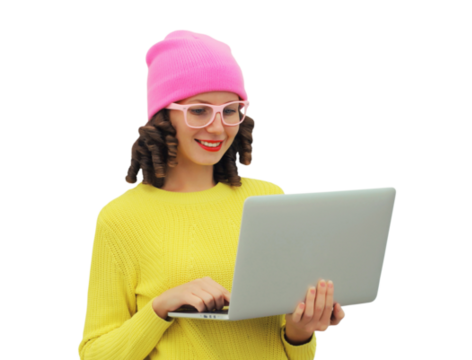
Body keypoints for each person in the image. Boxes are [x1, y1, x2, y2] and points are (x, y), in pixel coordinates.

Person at [76, 28, 346, 360]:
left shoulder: (269, 198)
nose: (217, 128)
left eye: (230, 110)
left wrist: (300, 331)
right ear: (165, 115)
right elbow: (94, 354)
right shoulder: (120, 218)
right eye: (199, 110)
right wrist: (160, 308)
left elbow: (296, 352)